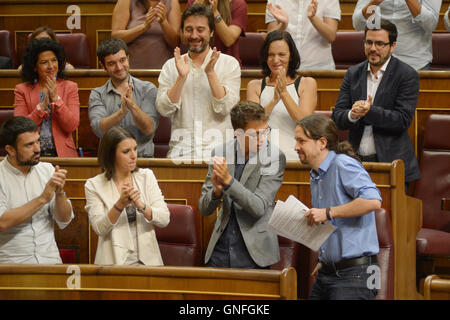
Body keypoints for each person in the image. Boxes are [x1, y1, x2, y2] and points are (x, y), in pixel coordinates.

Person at [294, 114, 382, 300]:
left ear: (322, 142)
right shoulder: (315, 175)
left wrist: (328, 212)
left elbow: (373, 200)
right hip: (328, 272)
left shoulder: (343, 164)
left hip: (357, 274)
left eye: (301, 141)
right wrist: (325, 260)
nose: (296, 147)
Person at [332, 19, 421, 188]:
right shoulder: (353, 73)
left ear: (392, 46)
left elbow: (402, 120)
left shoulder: (407, 75)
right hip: (355, 162)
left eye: (380, 43)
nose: (373, 48)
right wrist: (352, 114)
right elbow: (338, 116)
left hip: (391, 163)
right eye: (369, 42)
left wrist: (369, 111)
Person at [199, 101, 286, 269]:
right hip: (220, 250)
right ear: (237, 134)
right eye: (255, 135)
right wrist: (216, 193)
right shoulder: (220, 153)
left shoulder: (274, 157)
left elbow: (259, 208)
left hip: (254, 252)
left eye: (265, 132)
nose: (262, 139)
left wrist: (228, 182)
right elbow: (204, 208)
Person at [156, 3, 241, 160]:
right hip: (181, 154)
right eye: (189, 30)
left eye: (200, 30)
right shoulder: (170, 66)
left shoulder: (229, 64)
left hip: (220, 155)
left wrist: (210, 73)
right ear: (182, 32)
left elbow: (225, 108)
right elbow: (164, 109)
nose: (194, 35)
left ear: (211, 33)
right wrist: (181, 78)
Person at [84, 126, 170, 266]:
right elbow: (99, 228)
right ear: (111, 155)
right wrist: (120, 205)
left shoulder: (146, 176)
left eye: (135, 149)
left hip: (148, 262)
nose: (133, 155)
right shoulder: (94, 185)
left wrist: (141, 205)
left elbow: (164, 218)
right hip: (113, 263)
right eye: (126, 151)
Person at [0, 116, 74, 264]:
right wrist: (42, 199)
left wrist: (59, 193)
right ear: (10, 150)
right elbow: (2, 222)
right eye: (29, 145)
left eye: (38, 141)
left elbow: (64, 220)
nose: (38, 149)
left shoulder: (47, 170)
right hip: (13, 264)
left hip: (50, 261)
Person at [247, 30, 317, 160]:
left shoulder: (307, 83)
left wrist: (284, 94)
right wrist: (274, 100)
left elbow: (305, 124)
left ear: (291, 56)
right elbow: (253, 125)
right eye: (271, 55)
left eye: (281, 54)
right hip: (262, 158)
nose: (275, 60)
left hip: (295, 156)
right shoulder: (255, 86)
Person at [89, 37, 159, 158]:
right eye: (112, 63)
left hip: (143, 160)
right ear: (103, 66)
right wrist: (122, 112)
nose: (119, 67)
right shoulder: (97, 94)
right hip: (111, 162)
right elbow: (99, 130)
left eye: (122, 60)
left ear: (128, 58)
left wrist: (132, 106)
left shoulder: (148, 89)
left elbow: (149, 129)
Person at [14, 38, 80, 157]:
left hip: (63, 155)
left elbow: (72, 125)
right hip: (32, 156)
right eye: (44, 62)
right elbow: (20, 128)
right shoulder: (22, 90)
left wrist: (56, 99)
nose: (51, 66)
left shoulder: (70, 87)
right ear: (35, 67)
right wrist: (41, 107)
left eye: (54, 60)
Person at [352, 0, 441, 70]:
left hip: (415, 63)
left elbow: (430, 25)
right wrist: (374, 2)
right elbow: (357, 24)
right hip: (379, 61)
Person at [265, 0, 341, 70]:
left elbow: (331, 36)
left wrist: (313, 18)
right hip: (285, 69)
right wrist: (283, 25)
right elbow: (269, 40)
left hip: (319, 68)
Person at [111, 0, 181, 69]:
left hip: (164, 69)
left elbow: (175, 43)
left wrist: (163, 22)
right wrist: (144, 27)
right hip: (132, 68)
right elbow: (116, 38)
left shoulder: (172, 1)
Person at [187, 0, 248, 65]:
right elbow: (184, 38)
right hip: (196, 62)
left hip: (226, 64)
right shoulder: (193, 1)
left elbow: (229, 40)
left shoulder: (238, 4)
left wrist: (215, 12)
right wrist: (195, 8)